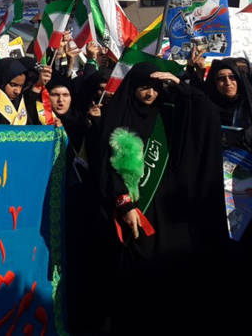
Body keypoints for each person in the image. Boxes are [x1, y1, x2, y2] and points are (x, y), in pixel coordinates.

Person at [91, 63, 228, 332]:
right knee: (136, 278)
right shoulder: (117, 116)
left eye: (155, 87)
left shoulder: (168, 113)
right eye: (144, 87)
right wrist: (124, 203)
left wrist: (179, 84)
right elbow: (106, 166)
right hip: (135, 210)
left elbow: (207, 113)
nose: (150, 93)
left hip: (167, 211)